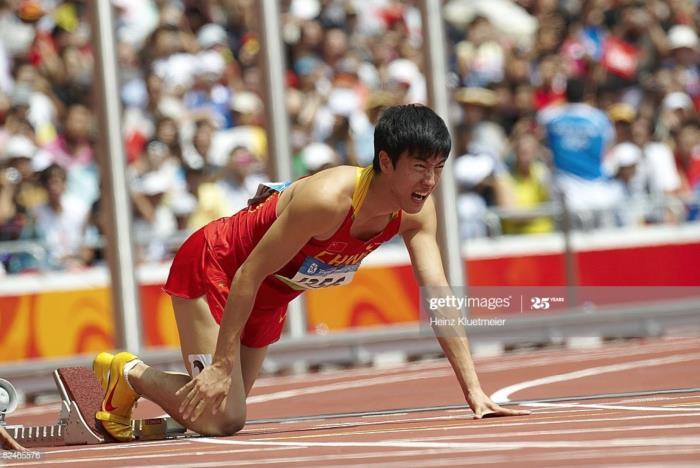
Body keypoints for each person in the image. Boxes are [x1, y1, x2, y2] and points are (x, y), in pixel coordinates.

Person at [93, 105, 530, 442]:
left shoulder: (416, 214)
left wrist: (474, 390)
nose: (430, 181)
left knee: (219, 406)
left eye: (438, 168)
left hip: (271, 296)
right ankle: (129, 373)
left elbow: (438, 296)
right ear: (385, 160)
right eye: (420, 167)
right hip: (218, 266)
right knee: (225, 417)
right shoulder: (328, 200)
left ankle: (149, 393)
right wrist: (223, 364)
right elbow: (247, 274)